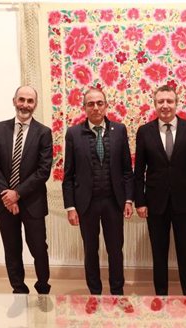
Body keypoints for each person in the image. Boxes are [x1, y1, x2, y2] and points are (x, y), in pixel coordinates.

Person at [134, 85, 186, 296]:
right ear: (155, 104)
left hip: (185, 202)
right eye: (160, 101)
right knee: (159, 254)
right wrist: (140, 201)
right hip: (155, 203)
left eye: (169, 101)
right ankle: (161, 297)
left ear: (176, 103)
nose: (165, 105)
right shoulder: (144, 131)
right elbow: (138, 171)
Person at [62, 88, 134, 295]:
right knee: (90, 251)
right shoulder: (74, 134)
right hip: (87, 203)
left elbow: (127, 171)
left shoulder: (119, 130)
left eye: (99, 103)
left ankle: (117, 292)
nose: (95, 107)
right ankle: (94, 292)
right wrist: (70, 206)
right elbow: (69, 174)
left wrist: (128, 200)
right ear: (84, 108)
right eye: (90, 104)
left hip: (113, 202)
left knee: (115, 250)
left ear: (106, 105)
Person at [0, 85, 53, 294]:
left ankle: (43, 287)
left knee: (38, 249)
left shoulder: (43, 133)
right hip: (3, 202)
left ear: (35, 105)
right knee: (12, 248)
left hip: (32, 202)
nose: (25, 104)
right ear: (14, 100)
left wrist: (17, 193)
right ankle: (19, 290)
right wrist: (7, 195)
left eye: (30, 101)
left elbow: (43, 171)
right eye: (22, 99)